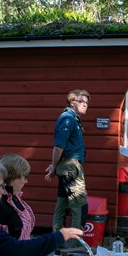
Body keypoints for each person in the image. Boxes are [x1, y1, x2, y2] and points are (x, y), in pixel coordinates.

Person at [45, 89, 90, 243]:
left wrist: (54, 167)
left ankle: (58, 245)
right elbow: (58, 147)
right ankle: (73, 246)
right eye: (81, 102)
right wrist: (53, 166)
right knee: (79, 205)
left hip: (68, 167)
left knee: (63, 203)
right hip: (70, 168)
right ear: (72, 103)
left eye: (86, 102)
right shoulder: (68, 119)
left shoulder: (74, 119)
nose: (85, 105)